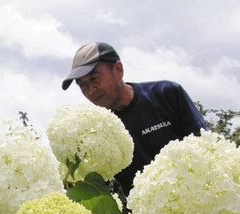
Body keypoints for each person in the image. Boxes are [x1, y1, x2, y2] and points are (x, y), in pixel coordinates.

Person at [62, 42, 207, 195]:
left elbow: (204, 146)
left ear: (118, 70)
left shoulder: (167, 94)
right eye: (82, 85)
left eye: (94, 79)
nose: (90, 90)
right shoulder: (94, 132)